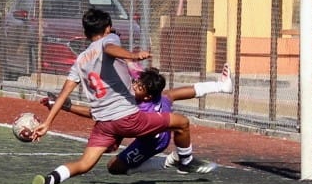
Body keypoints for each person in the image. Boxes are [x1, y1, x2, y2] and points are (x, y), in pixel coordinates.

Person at [25, 8, 201, 184]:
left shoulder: (80, 61)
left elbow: (64, 93)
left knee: (84, 164)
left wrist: (47, 123)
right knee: (182, 123)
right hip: (129, 119)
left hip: (104, 125)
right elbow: (109, 49)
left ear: (85, 33)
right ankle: (185, 162)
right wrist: (133, 56)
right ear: (108, 28)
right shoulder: (110, 40)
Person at [40, 64, 232, 175]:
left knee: (114, 168)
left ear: (147, 96)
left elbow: (95, 113)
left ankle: (171, 161)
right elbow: (189, 91)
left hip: (153, 142)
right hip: (156, 121)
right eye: (136, 82)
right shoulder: (156, 96)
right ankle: (222, 86)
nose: (134, 86)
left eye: (138, 87)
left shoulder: (137, 106)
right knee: (171, 95)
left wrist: (67, 107)